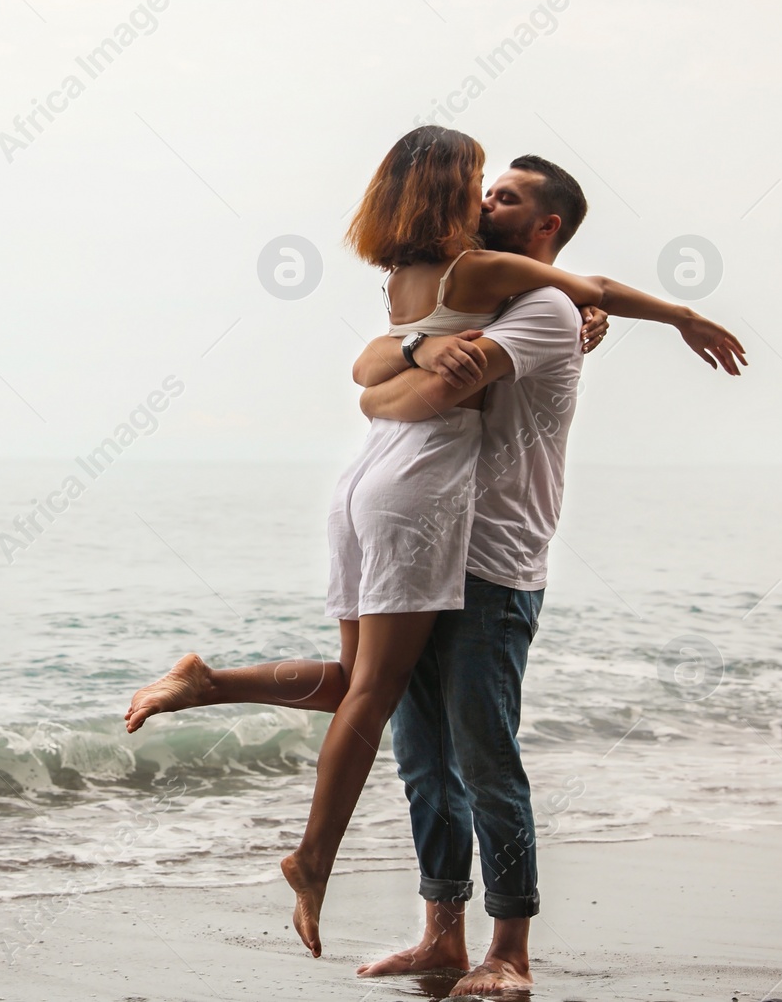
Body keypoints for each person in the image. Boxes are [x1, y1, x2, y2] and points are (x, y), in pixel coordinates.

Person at [123, 127, 746, 972]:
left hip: (489, 552)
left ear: (548, 226)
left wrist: (395, 377)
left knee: (477, 754)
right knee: (418, 753)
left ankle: (511, 950)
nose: (488, 200)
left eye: (508, 196)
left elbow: (419, 387)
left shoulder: (542, 306)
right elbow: (379, 373)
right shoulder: (487, 285)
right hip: (423, 519)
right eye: (486, 187)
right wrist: (402, 366)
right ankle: (441, 934)